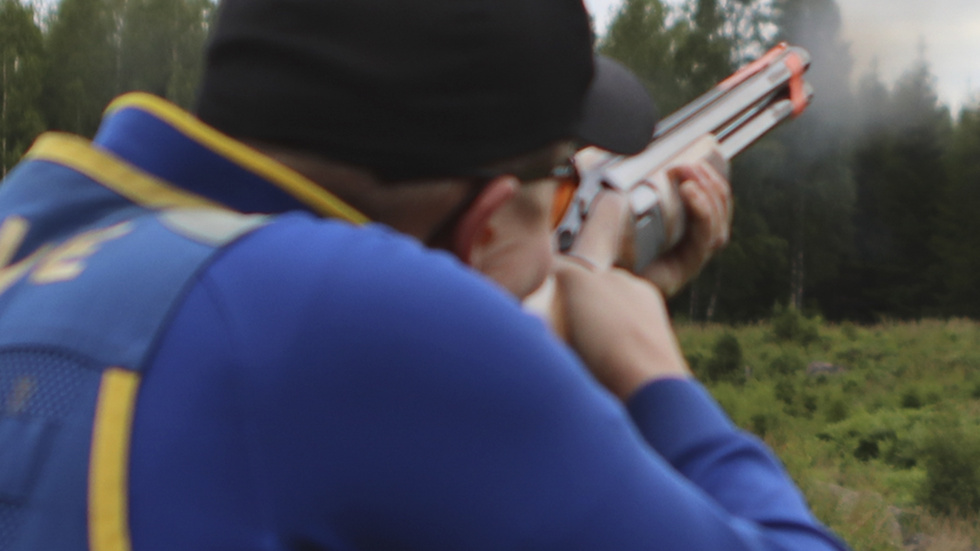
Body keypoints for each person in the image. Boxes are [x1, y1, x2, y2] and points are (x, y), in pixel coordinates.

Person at [0, 0, 849, 549]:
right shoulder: (339, 315)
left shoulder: (43, 231)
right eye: (556, 185)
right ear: (481, 222)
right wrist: (649, 370)